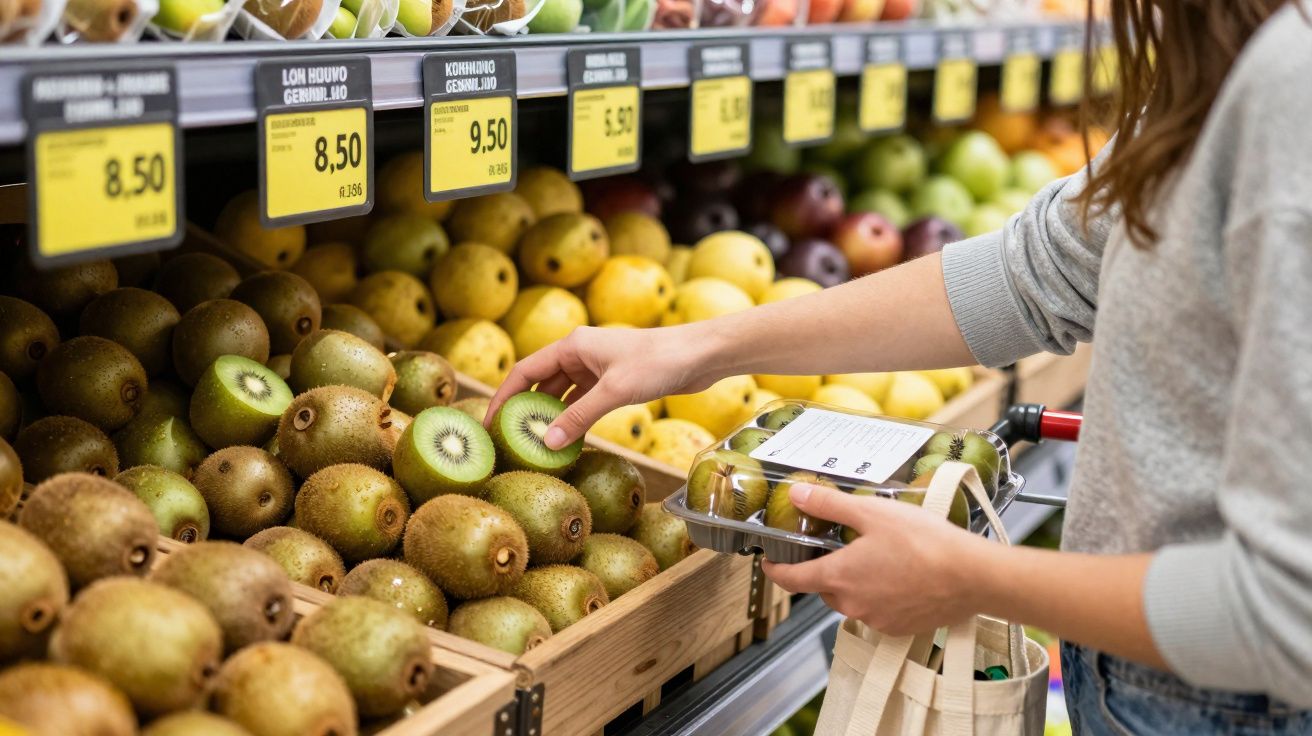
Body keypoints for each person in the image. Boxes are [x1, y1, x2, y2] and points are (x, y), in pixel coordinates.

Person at [489, 1, 1312, 730]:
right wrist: (694, 347)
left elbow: (1290, 611)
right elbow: (1038, 272)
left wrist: (974, 577)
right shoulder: (1234, 60)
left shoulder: (1288, 92)